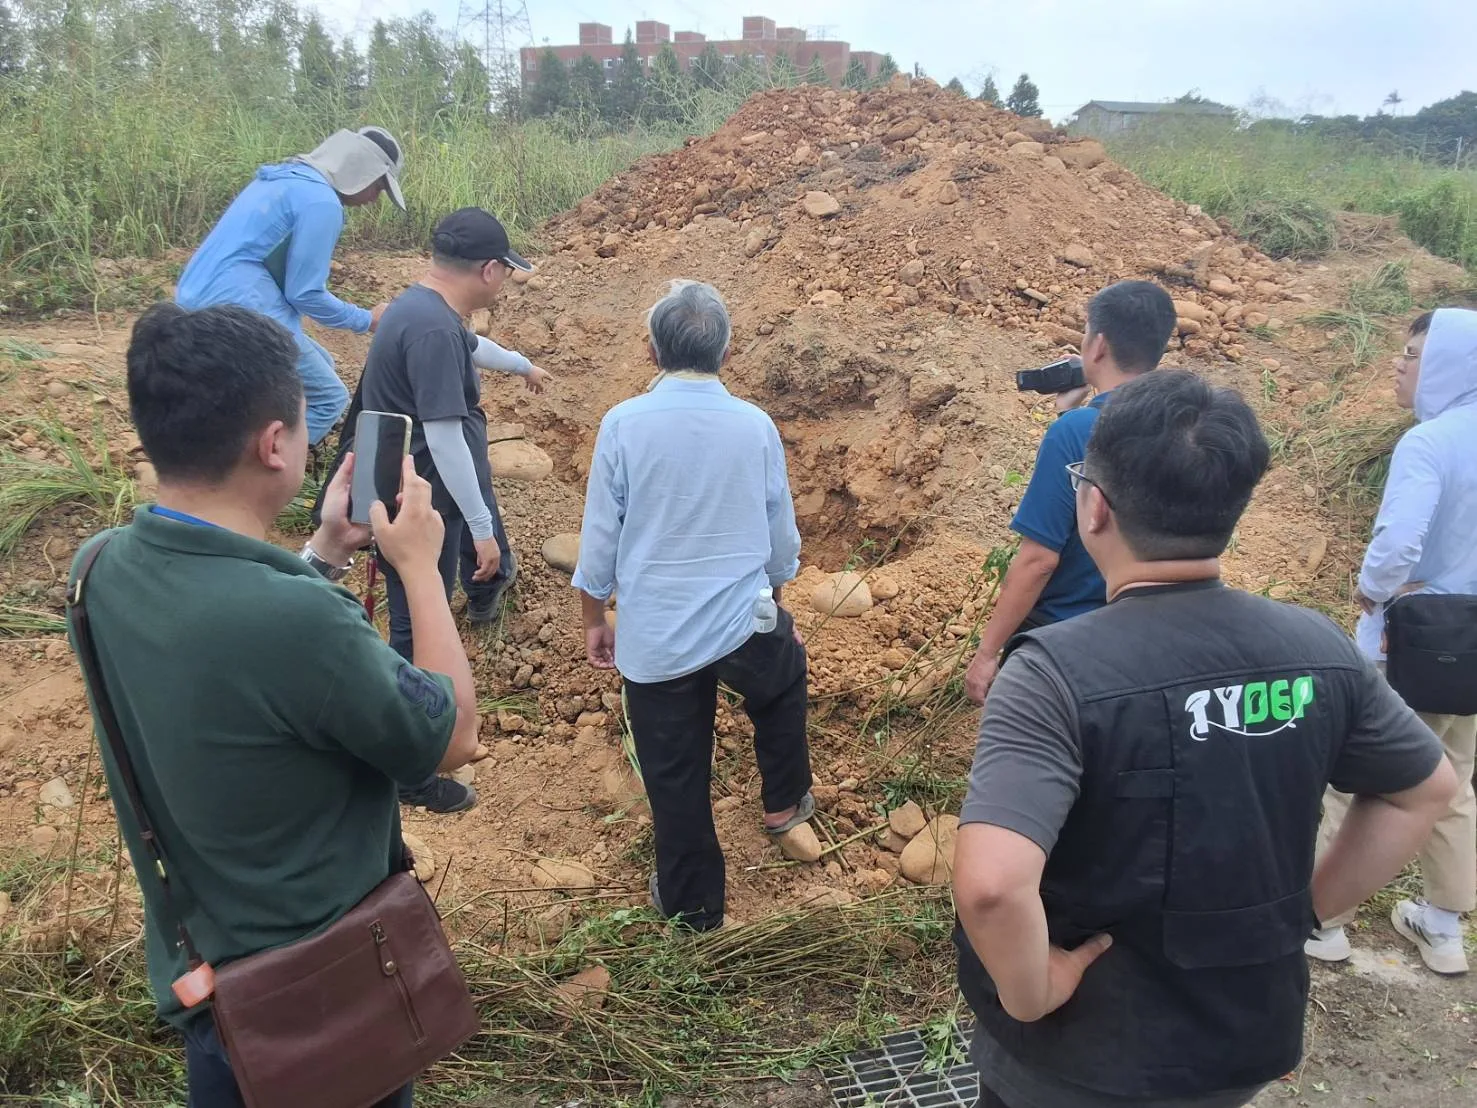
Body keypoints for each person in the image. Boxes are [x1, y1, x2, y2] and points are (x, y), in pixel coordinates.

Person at [953, 370, 1457, 1108]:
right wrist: (1299, 914)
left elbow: (992, 886)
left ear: (1092, 506)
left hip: (1077, 1056)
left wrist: (1030, 994)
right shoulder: (1316, 649)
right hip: (1236, 1039)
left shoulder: (1052, 673)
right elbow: (1425, 790)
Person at [67, 302, 481, 1108]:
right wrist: (422, 568)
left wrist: (324, 550)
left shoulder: (100, 570)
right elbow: (452, 737)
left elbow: (239, 643)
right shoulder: (296, 622)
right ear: (274, 444)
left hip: (215, 981)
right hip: (321, 992)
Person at [573, 280, 810, 931]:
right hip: (742, 631)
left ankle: (696, 909)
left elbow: (601, 539)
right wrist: (777, 589)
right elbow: (779, 535)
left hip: (657, 644)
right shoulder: (756, 426)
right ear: (725, 352)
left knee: (676, 780)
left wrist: (596, 619)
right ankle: (785, 801)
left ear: (652, 352)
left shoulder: (622, 424)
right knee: (784, 671)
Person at [323, 207, 548, 814]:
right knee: (412, 624)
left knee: (418, 612)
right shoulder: (433, 331)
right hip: (423, 498)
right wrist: (482, 531)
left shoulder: (416, 308)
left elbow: (473, 347)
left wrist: (523, 366)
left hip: (411, 488)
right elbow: (447, 438)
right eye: (505, 270)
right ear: (489, 269)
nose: (504, 281)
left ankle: (409, 745)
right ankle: (411, 768)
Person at [1307, 307, 1477, 976]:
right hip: (1473, 649)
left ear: (1445, 365)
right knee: (1456, 779)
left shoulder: (1429, 442)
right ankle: (1441, 927)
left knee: (1352, 777)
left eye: (1411, 356)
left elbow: (1398, 541)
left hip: (1407, 646)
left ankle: (1324, 921)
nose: (1397, 366)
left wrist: (1378, 589)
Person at [964, 280, 1177, 705]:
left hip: (1067, 641)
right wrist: (1068, 414)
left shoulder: (1077, 432)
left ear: (1097, 345)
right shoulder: (1181, 425)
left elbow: (1039, 559)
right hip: (1150, 636)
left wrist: (987, 654)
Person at [175, 127, 406, 445]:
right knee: (328, 399)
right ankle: (260, 476)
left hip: (199, 296)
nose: (374, 199)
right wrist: (368, 320)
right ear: (361, 172)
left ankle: (252, 437)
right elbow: (305, 294)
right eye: (379, 187)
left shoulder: (285, 177)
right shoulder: (322, 204)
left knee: (320, 366)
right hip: (239, 309)